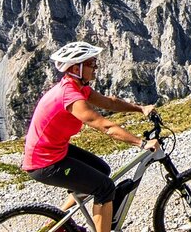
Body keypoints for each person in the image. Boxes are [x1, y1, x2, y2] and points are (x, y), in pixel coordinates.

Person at [22, 41, 158, 232]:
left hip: (54, 150)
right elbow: (105, 126)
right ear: (76, 68)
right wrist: (141, 143)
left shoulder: (78, 86)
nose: (96, 67)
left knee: (102, 170)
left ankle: (57, 223)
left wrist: (140, 109)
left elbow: (109, 103)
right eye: (91, 63)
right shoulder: (70, 95)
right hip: (44, 163)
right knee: (105, 187)